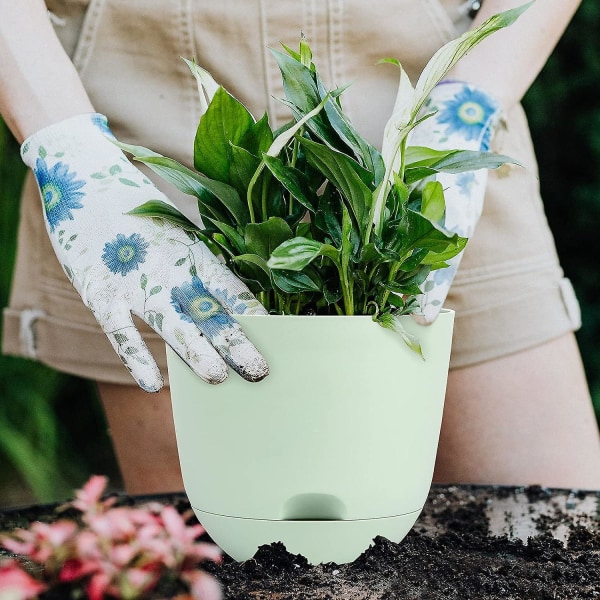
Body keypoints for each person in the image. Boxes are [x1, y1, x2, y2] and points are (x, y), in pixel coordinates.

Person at [1, 0, 599, 497]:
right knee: (226, 562)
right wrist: (69, 151)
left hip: (420, 125)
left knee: (547, 536)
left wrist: (476, 95)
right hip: (142, 123)